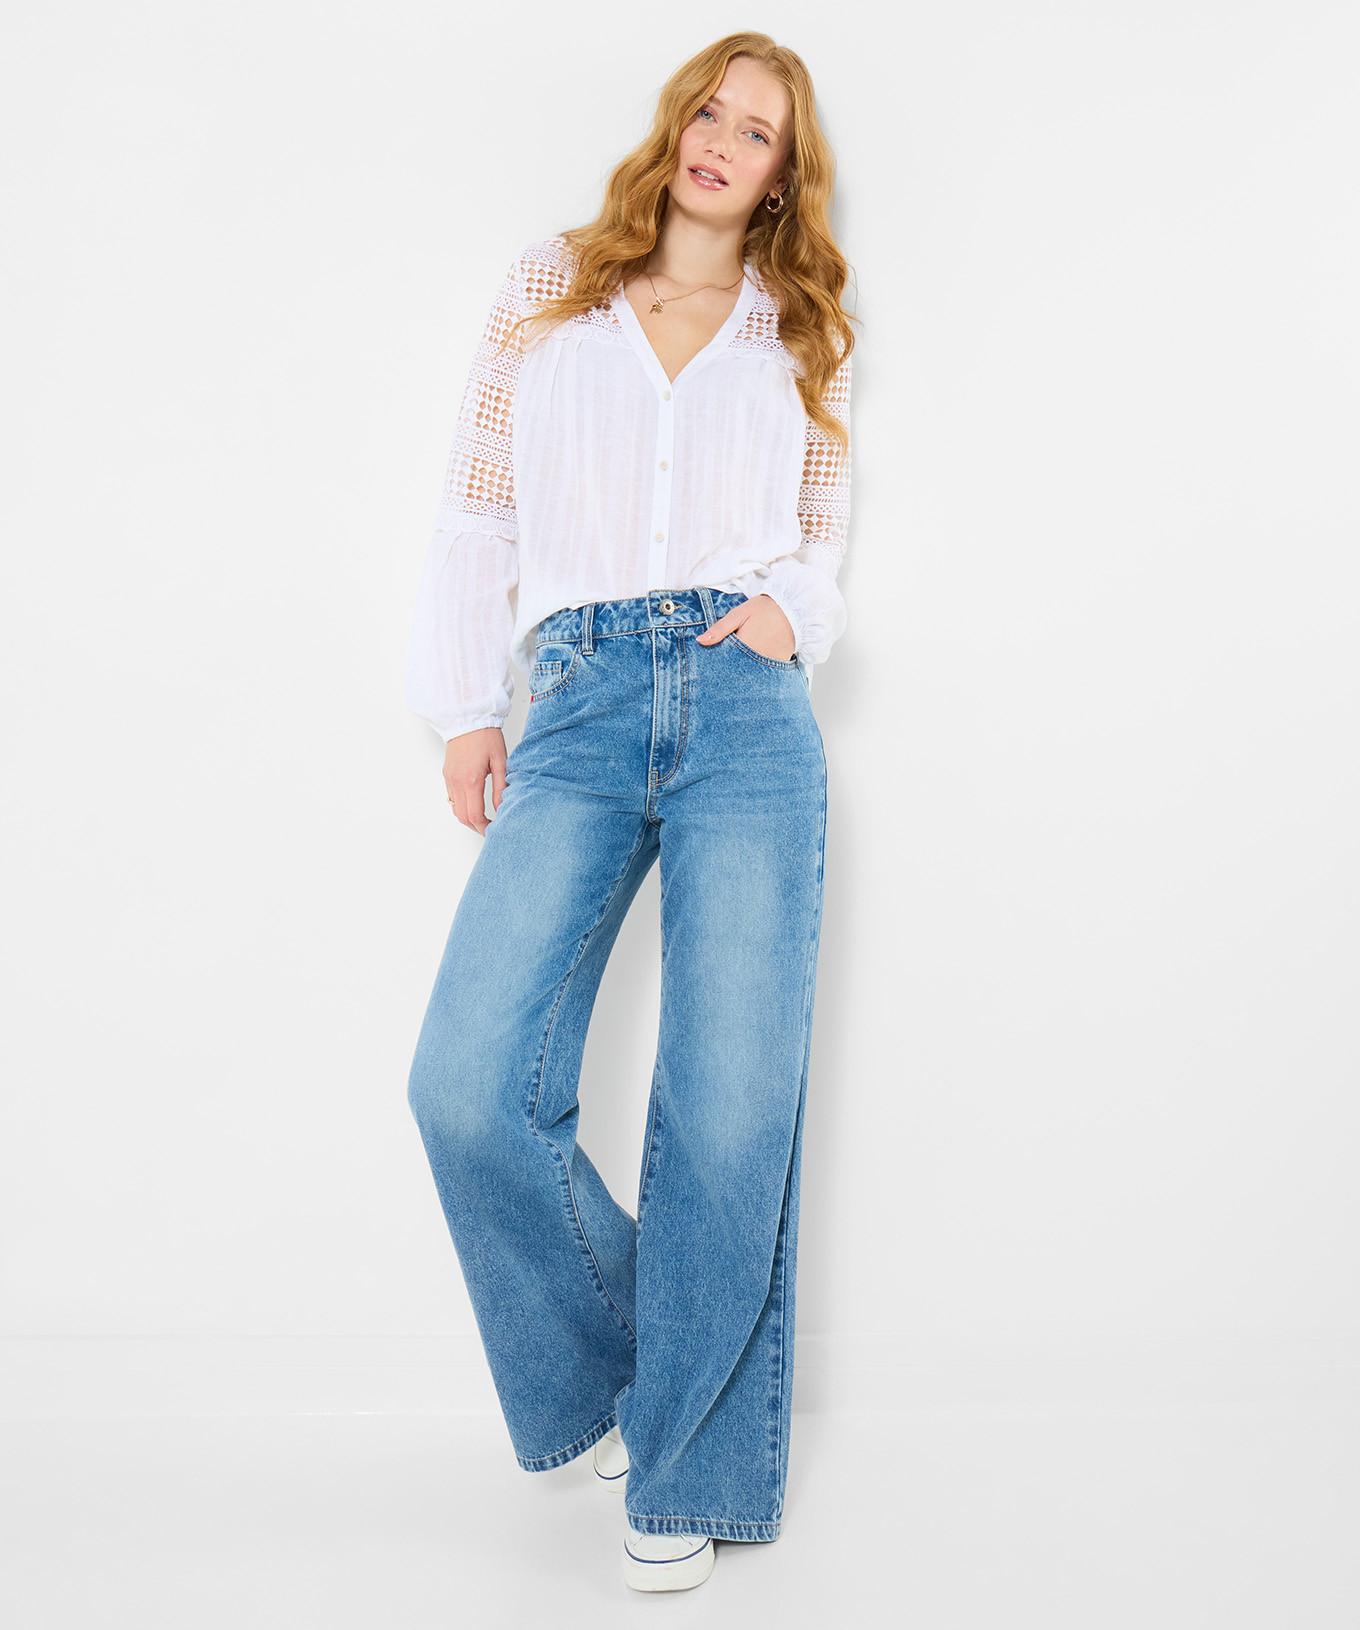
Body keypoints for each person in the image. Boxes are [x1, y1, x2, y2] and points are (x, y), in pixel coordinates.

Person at [404, 32, 857, 1594]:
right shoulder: (553, 285)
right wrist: (468, 702)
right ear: (676, 129)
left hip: (745, 703)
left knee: (729, 1101)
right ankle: (622, 1370)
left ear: (783, 175)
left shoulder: (802, 324)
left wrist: (794, 611)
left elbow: (821, 531)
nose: (724, 142)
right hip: (580, 696)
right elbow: (478, 505)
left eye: (758, 132)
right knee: (466, 1082)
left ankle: (691, 1464)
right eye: (709, 113)